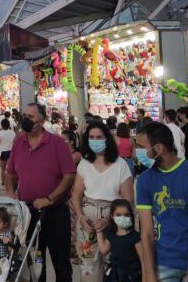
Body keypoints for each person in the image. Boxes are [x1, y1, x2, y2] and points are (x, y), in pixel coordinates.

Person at [134, 121, 188, 282]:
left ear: (158, 149)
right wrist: (150, 274)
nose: (137, 151)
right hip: (164, 263)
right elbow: (147, 232)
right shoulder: (144, 180)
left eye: (141, 147)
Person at [4, 103, 76, 282]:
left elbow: (70, 175)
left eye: (31, 117)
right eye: (24, 115)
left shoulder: (57, 143)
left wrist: (49, 199)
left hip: (55, 212)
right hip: (28, 213)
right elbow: (10, 172)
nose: (25, 120)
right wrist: (11, 192)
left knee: (61, 263)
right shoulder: (18, 141)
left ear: (42, 121)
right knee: (35, 262)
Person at [71, 121, 134, 282]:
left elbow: (128, 200)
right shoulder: (84, 164)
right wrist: (80, 216)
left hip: (115, 224)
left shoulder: (120, 165)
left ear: (107, 139)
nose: (95, 141)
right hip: (87, 225)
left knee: (113, 269)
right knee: (88, 269)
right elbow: (76, 195)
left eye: (99, 137)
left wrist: (109, 220)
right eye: (91, 137)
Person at [96, 198, 144, 282]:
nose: (122, 218)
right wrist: (98, 230)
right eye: (118, 215)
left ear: (131, 216)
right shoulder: (111, 235)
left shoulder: (135, 237)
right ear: (112, 216)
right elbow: (103, 250)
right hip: (114, 276)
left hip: (131, 276)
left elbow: (143, 260)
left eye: (126, 215)